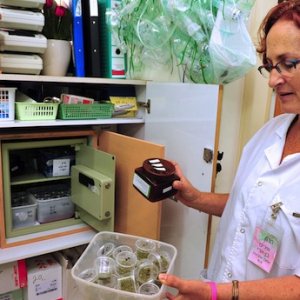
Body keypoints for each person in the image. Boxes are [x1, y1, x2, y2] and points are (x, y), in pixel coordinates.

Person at [158, 1, 300, 299]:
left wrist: (218, 293)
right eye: (271, 66)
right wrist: (195, 197)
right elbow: (249, 206)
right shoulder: (270, 134)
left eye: (288, 63)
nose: (274, 80)